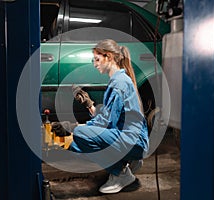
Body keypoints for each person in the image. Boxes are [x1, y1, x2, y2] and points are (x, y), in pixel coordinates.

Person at [53, 39, 149, 194]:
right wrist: (89, 104)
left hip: (133, 141)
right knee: (73, 142)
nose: (94, 63)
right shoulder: (118, 80)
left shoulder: (119, 83)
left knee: (80, 135)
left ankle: (122, 173)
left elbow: (107, 122)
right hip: (128, 138)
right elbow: (108, 115)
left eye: (97, 59)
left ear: (109, 57)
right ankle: (123, 164)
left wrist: (72, 127)